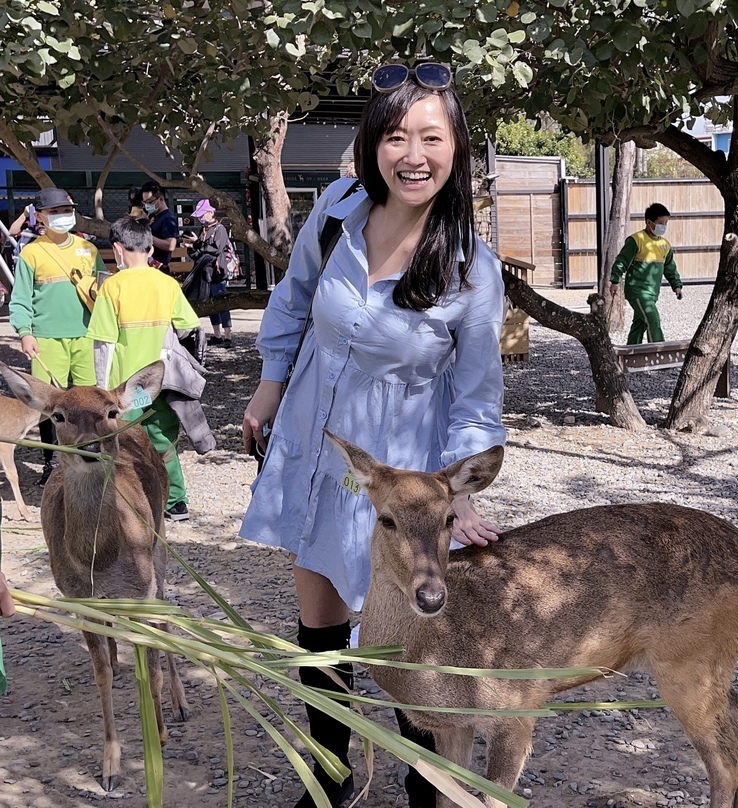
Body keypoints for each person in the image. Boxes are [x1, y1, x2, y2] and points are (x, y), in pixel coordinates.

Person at [240, 61, 506, 808]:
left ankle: (424, 784)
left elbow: (478, 399)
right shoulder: (337, 210)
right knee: (318, 629)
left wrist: (456, 497)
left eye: (430, 136)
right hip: (317, 448)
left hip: (401, 477)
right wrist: (265, 394)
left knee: (400, 646)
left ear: (455, 148)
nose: (411, 155)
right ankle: (330, 780)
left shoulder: (471, 269)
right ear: (371, 145)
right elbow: (292, 303)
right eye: (395, 136)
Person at [86, 216, 201, 522]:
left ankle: (133, 499)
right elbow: (190, 327)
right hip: (163, 384)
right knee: (164, 441)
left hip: (128, 389)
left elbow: (103, 344)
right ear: (151, 249)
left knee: (127, 442)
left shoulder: (112, 287)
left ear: (117, 249)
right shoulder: (166, 284)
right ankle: (176, 501)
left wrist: (102, 389)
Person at [9, 187, 101, 485]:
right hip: (46, 339)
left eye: (66, 210)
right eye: (56, 212)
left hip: (86, 336)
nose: (63, 216)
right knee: (49, 405)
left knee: (92, 402)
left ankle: (93, 453)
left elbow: (104, 289)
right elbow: (21, 298)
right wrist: (25, 332)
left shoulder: (89, 250)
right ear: (42, 217)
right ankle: (52, 463)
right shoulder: (31, 253)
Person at [609, 202, 684, 345]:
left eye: (666, 223)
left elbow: (670, 268)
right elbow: (622, 261)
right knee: (652, 319)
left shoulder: (665, 245)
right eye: (660, 223)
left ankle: (631, 354)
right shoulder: (636, 240)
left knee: (640, 323)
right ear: (649, 222)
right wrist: (615, 280)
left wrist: (677, 286)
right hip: (637, 291)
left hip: (653, 293)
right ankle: (658, 353)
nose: (664, 227)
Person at [183, 199, 233, 346]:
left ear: (211, 212)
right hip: (205, 274)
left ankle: (228, 336)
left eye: (202, 214)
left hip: (218, 272)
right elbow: (199, 252)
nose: (200, 218)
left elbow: (215, 249)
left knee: (222, 303)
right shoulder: (203, 230)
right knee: (211, 305)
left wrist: (197, 243)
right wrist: (191, 247)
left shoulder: (220, 229)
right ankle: (217, 335)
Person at [140, 181, 178, 272]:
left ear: (161, 199)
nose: (147, 205)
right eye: (145, 202)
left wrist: (147, 236)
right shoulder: (154, 215)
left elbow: (171, 245)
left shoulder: (168, 218)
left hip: (159, 268)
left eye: (149, 202)